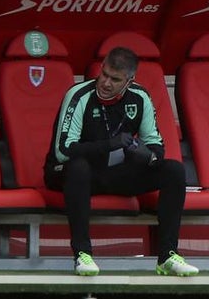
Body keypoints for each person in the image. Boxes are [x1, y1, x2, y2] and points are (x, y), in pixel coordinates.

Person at [43, 46, 197, 277]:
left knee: (174, 170)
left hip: (114, 173)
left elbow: (156, 146)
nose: (106, 83)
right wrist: (109, 144)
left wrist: (146, 155)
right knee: (78, 167)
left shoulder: (140, 97)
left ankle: (167, 256)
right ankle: (82, 254)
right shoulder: (79, 95)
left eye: (115, 79)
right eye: (104, 74)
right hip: (70, 173)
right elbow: (63, 151)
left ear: (129, 80)